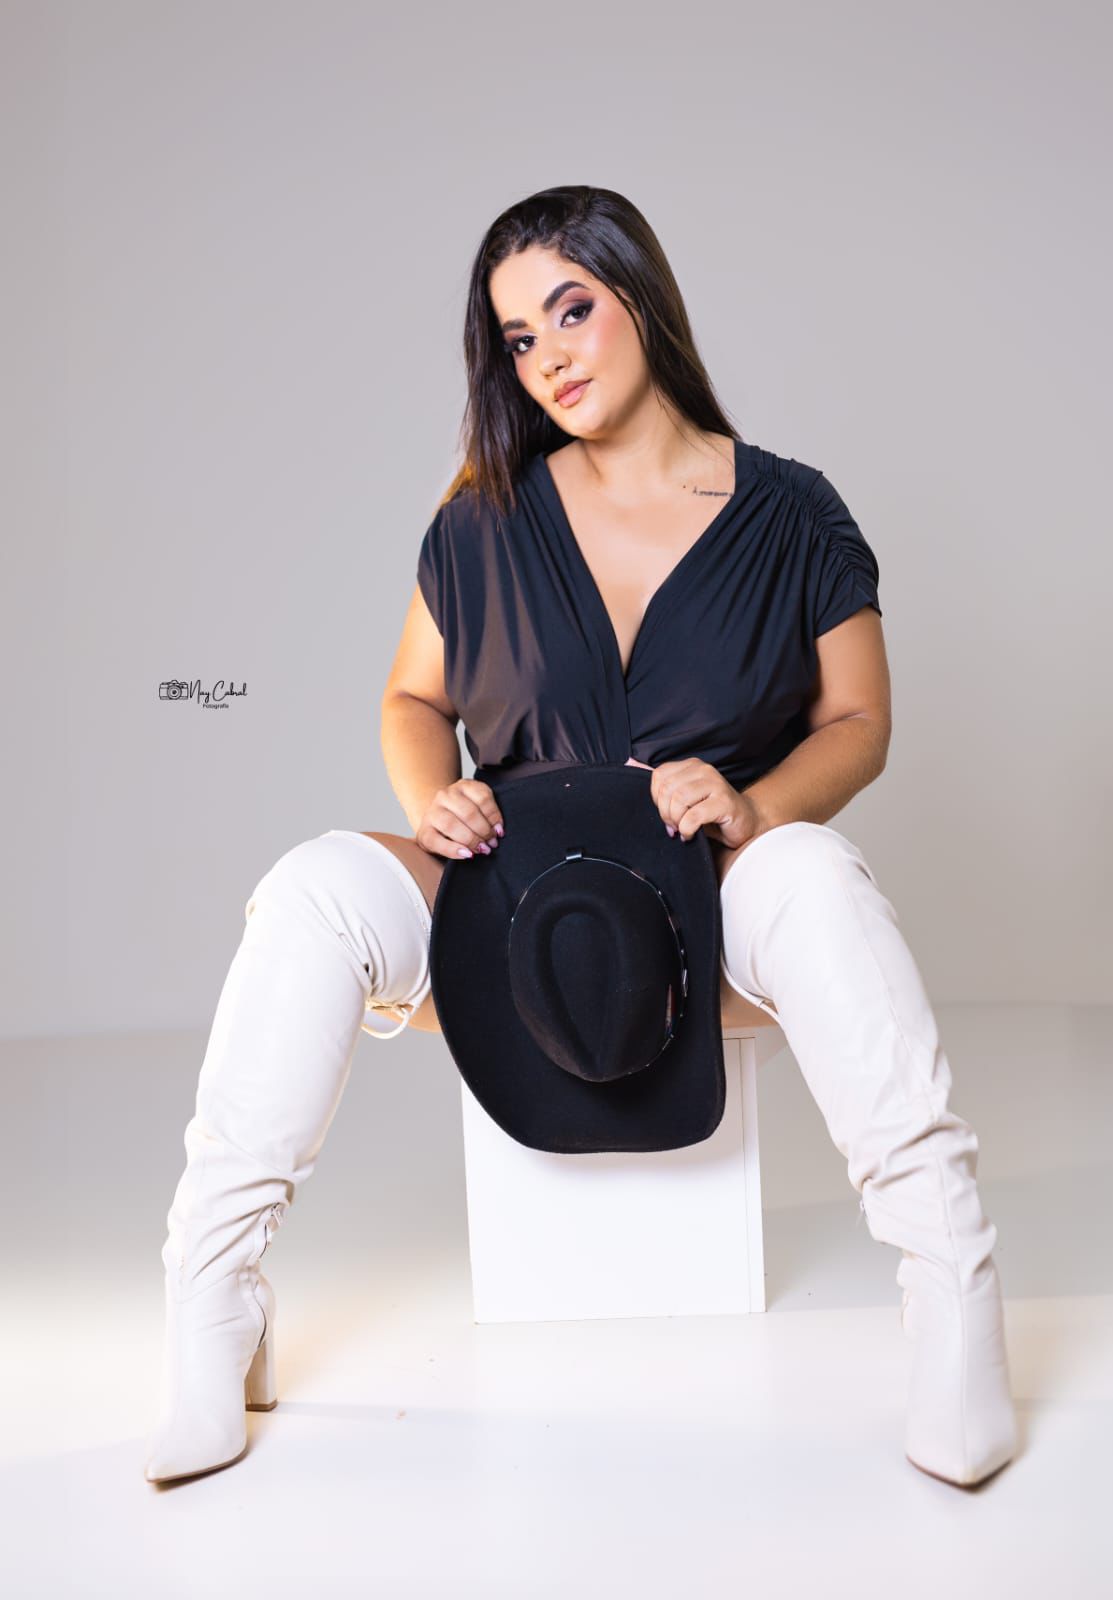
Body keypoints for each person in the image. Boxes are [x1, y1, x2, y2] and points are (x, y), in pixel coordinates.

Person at [144, 185, 1018, 1489]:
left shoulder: (794, 514)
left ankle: (952, 1296)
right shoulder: (482, 517)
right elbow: (411, 698)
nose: (547, 356)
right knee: (312, 888)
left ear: (640, 299)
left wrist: (757, 808)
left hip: (707, 893)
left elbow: (860, 720)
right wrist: (430, 795)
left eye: (570, 310)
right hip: (511, 890)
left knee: (817, 873)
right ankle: (211, 1303)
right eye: (516, 338)